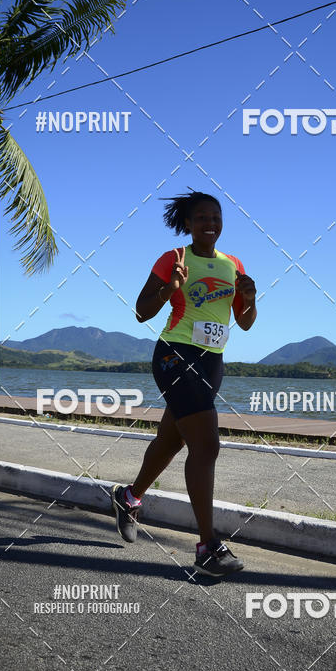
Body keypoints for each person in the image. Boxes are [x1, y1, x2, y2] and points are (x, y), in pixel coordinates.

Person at [112, 191, 257, 577]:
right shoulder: (174, 258)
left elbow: (243, 323)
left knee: (173, 439)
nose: (210, 223)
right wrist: (170, 288)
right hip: (175, 354)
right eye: (201, 217)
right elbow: (142, 312)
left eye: (216, 216)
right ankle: (208, 546)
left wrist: (250, 298)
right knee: (207, 445)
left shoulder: (234, 265)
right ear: (188, 224)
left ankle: (129, 497)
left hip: (212, 363)